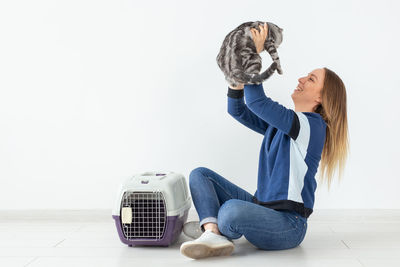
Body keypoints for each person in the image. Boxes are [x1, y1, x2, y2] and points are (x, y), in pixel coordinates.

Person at [180, 23, 349, 260]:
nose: (301, 78)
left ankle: (215, 226)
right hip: (261, 208)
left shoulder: (313, 126)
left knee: (229, 212)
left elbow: (258, 103)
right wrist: (236, 76)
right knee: (200, 175)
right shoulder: (284, 124)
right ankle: (212, 231)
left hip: (289, 224)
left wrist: (252, 53)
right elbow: (238, 110)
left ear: (322, 98)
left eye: (311, 79)